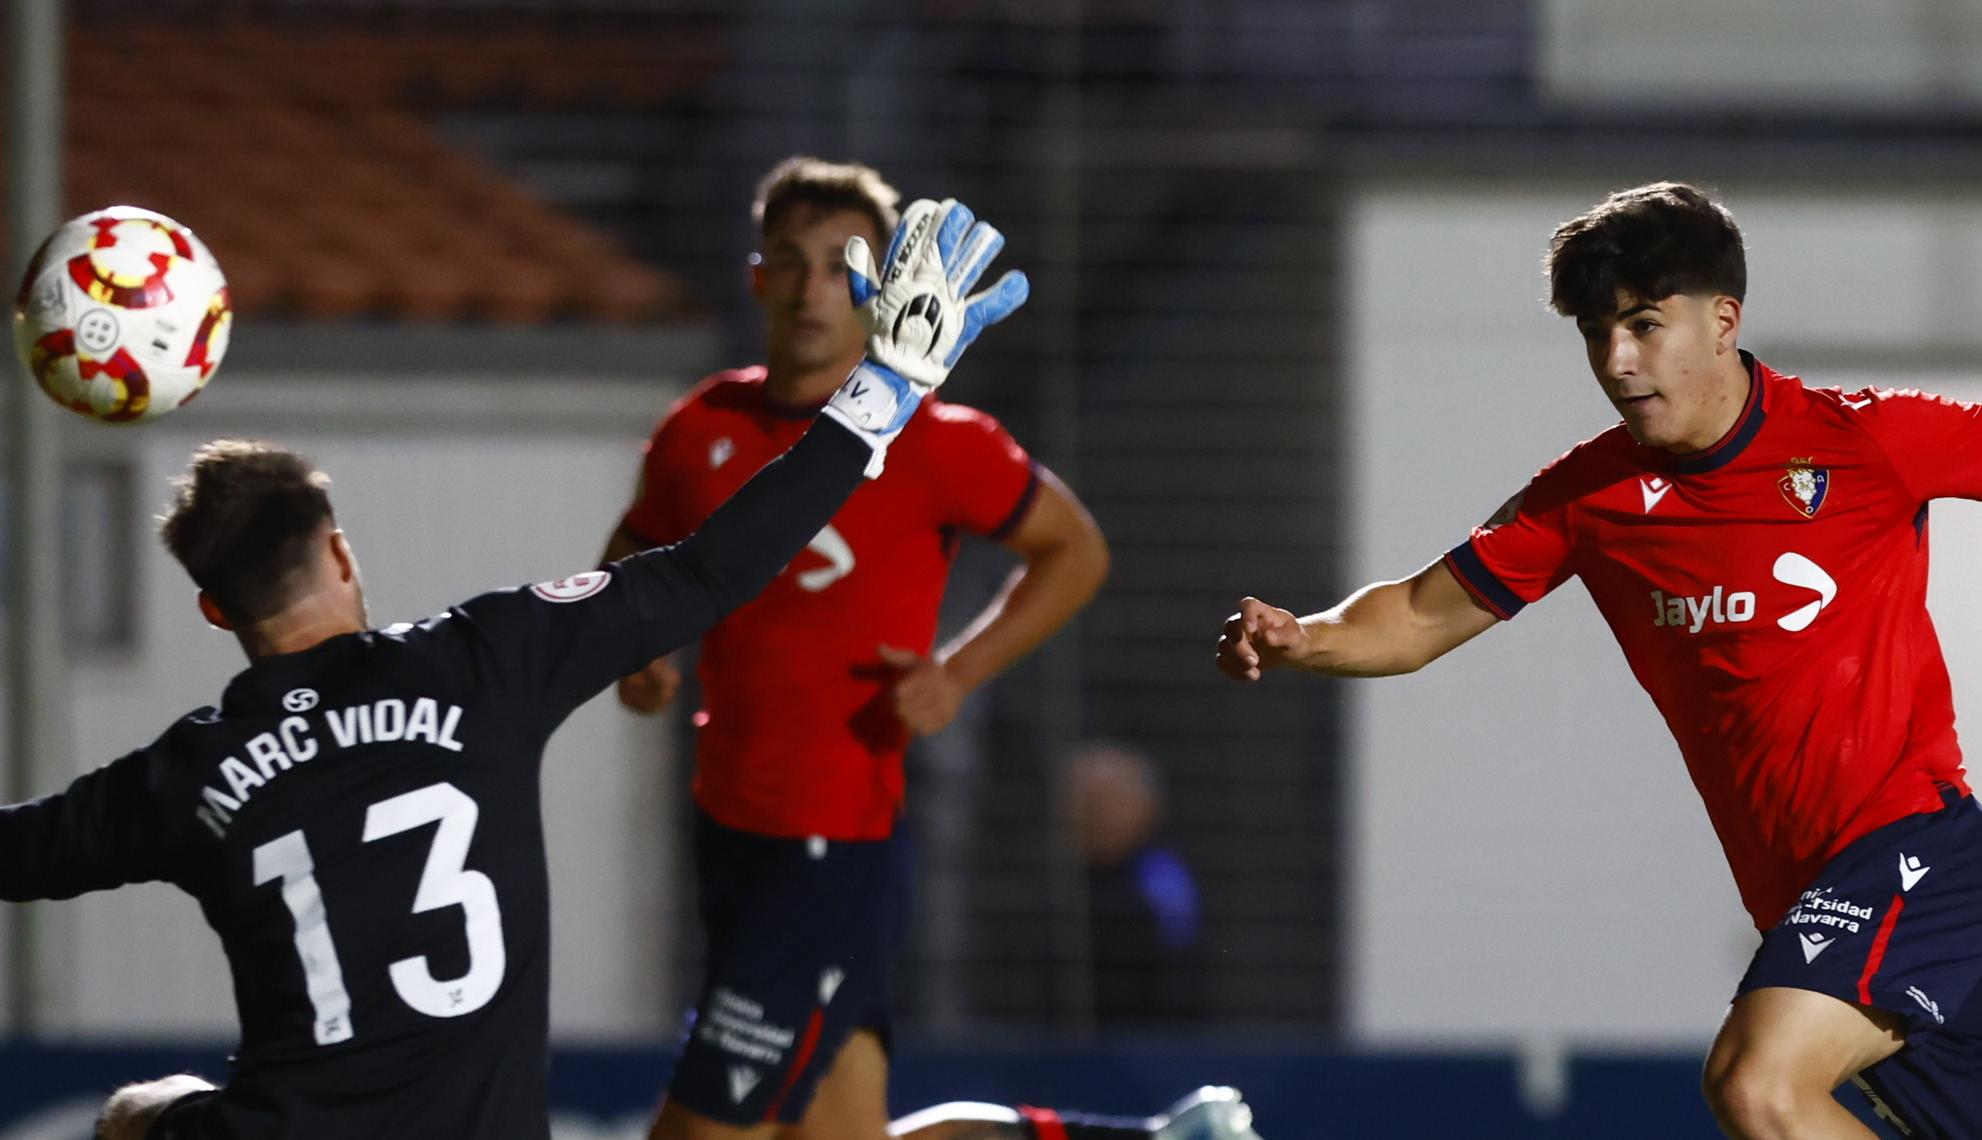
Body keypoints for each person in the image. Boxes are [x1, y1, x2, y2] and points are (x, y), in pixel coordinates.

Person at [0, 193, 1023, 1140]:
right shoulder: (482, 662)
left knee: (141, 1111)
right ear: (342, 552)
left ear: (214, 608)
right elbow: (716, 569)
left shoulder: (184, 779)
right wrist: (883, 389)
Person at [1216, 180, 1982, 1139]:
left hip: (1915, 851)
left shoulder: (1861, 439)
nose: (1617, 361)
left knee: (1757, 1085)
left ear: (1722, 320)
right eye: (1595, 334)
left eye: (1644, 325)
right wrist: (1305, 637)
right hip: (1799, 894)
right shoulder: (1590, 498)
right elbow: (1416, 615)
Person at [604, 158, 1257, 1140]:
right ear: (757, 279)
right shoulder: (702, 427)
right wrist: (636, 644)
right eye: (791, 262)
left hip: (832, 846)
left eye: (842, 265)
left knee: (700, 1134)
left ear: (882, 290)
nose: (814, 288)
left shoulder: (937, 441)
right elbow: (636, 543)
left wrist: (958, 669)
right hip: (730, 830)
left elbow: (1073, 551)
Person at [1067, 742, 1205, 1029]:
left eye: (1097, 803)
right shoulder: (1063, 879)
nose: (1079, 815)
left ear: (1144, 809)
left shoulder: (1160, 878)